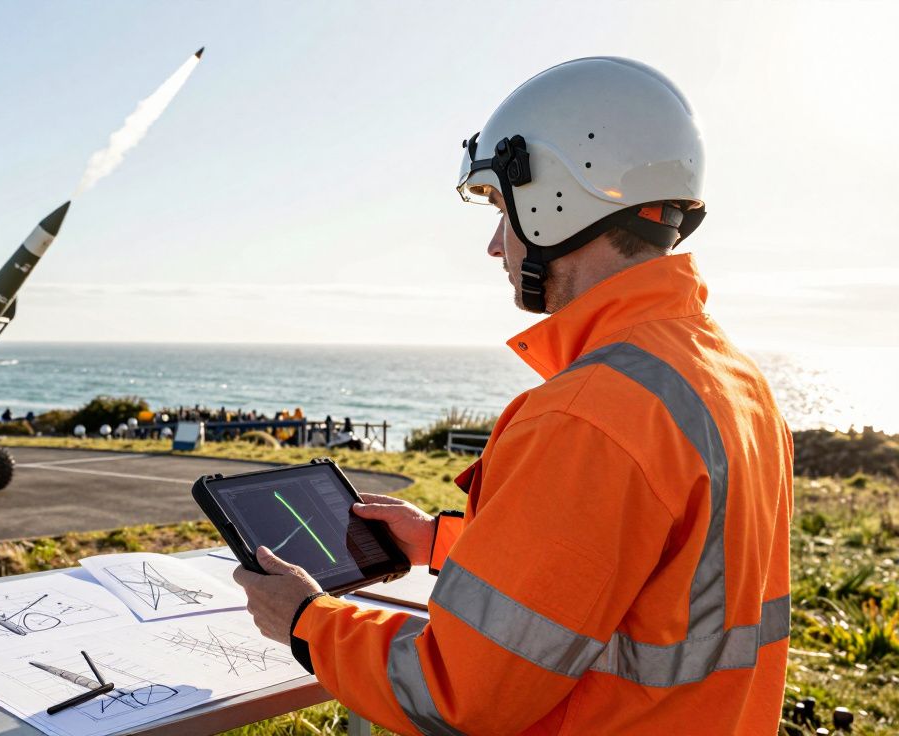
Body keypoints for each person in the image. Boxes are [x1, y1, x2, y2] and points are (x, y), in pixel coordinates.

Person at [233, 57, 792, 734]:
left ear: (560, 196)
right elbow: (633, 573)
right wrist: (437, 541)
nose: (497, 246)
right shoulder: (732, 379)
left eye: (502, 209)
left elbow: (459, 693)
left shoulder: (588, 414)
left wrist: (305, 621)